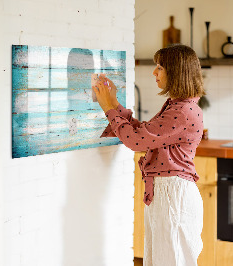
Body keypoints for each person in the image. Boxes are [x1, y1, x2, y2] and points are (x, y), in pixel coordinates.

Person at [93, 44, 205, 266]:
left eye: (160, 67)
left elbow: (136, 141)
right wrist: (114, 104)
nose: (154, 72)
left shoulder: (182, 111)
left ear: (176, 72)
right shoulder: (178, 106)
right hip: (168, 193)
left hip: (173, 195)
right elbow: (144, 133)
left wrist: (108, 108)